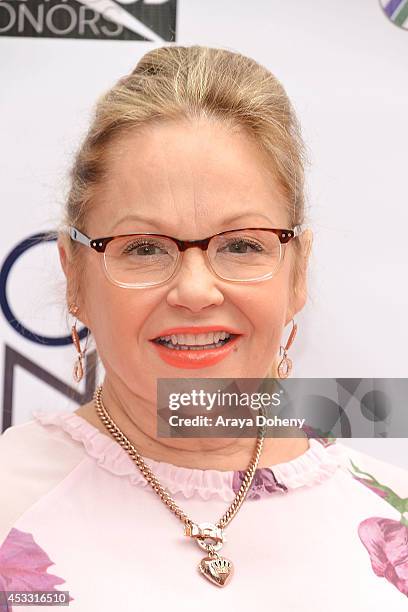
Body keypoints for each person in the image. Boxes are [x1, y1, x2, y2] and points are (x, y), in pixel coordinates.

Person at [0, 45, 407, 610]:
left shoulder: (394, 515)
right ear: (74, 276)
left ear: (297, 272)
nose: (195, 291)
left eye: (241, 244)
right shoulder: (9, 496)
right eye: (142, 247)